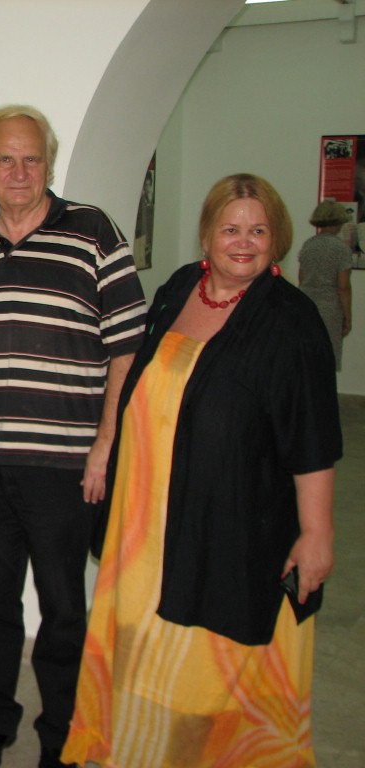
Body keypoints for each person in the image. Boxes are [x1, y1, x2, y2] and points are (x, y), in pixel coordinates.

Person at [63, 174, 342, 767]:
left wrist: (317, 532)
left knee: (212, 665)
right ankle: (136, 750)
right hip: (146, 522)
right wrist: (107, 446)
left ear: (277, 238)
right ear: (207, 234)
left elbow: (313, 437)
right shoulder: (178, 287)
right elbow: (136, 381)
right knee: (142, 648)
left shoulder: (292, 321)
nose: (243, 242)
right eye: (231, 228)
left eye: (258, 231)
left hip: (233, 527)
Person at [0, 105, 147, 768]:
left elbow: (127, 347)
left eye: (31, 158)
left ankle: (61, 735)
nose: (18, 172)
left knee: (63, 608)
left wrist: (105, 443)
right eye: (5, 159)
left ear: (48, 163)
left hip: (64, 464)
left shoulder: (92, 231)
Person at [298, 199, 353, 369]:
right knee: (327, 358)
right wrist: (348, 316)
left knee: (307, 357)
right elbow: (343, 286)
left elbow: (301, 279)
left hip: (306, 306)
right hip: (330, 308)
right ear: (338, 222)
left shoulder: (308, 245)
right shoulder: (341, 249)